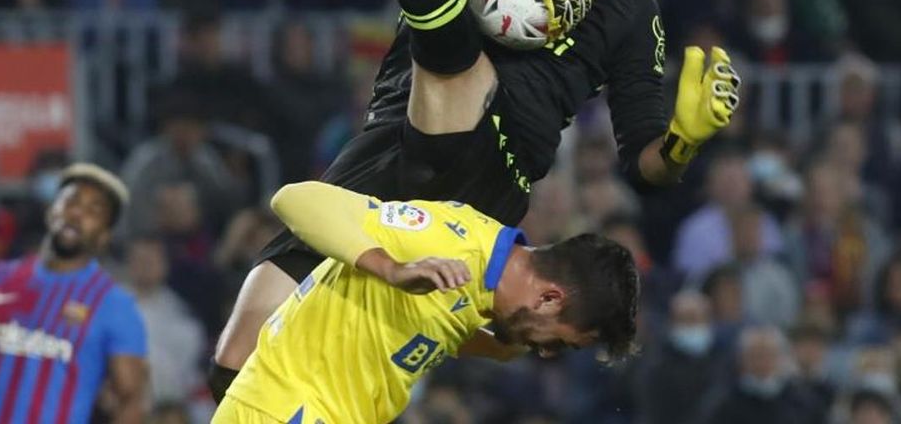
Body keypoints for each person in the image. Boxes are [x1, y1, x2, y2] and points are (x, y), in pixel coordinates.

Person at [211, 0, 741, 397]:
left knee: (458, 58)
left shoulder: (629, 0)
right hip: (395, 136)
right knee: (235, 362)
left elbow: (644, 165)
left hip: (489, 177)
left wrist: (683, 142)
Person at [214, 180, 638, 423]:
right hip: (285, 409)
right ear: (549, 298)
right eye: (560, 342)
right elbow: (294, 199)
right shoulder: (448, 242)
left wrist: (494, 347)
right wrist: (389, 268)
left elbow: (423, 323)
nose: (547, 353)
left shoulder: (480, 290)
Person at [0, 164, 149, 424]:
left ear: (104, 236)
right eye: (71, 201)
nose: (77, 213)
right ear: (52, 210)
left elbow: (132, 400)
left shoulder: (114, 305)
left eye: (94, 211)